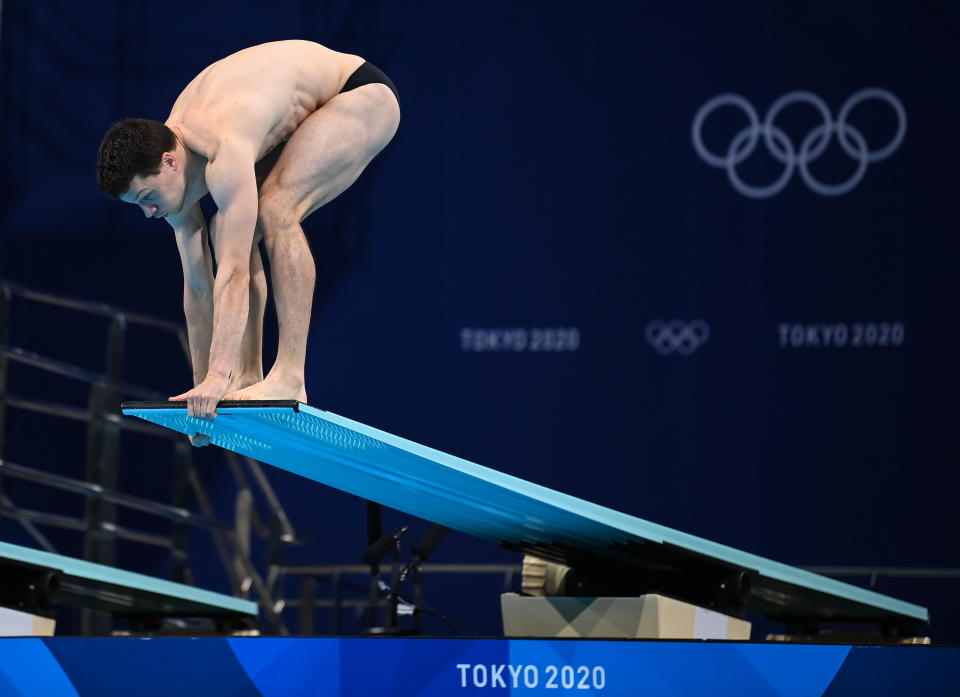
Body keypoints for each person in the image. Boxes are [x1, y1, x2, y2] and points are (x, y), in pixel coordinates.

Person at [96, 40, 400, 424]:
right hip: (302, 111)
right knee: (229, 225)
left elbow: (234, 273)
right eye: (138, 205)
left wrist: (214, 377)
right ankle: (248, 375)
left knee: (276, 209)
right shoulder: (170, 173)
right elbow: (198, 289)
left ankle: (290, 376)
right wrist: (201, 396)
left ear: (169, 162)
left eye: (146, 197)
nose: (149, 212)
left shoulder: (222, 146)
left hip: (360, 94)